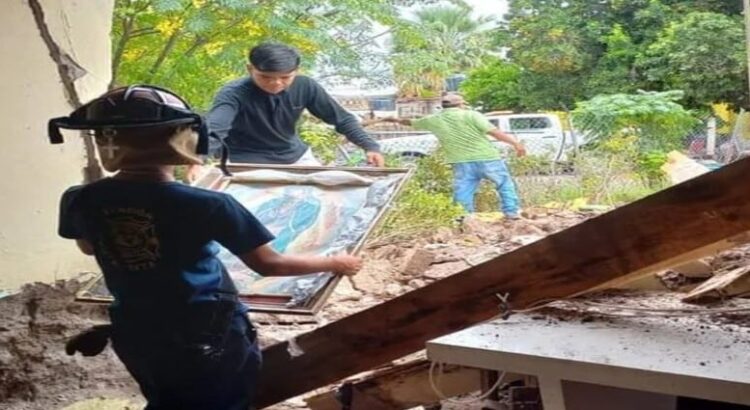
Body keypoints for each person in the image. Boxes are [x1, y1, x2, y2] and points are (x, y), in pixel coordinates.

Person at [49, 85, 362, 410]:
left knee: (166, 400)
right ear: (184, 138)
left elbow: (89, 247)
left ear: (105, 142)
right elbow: (270, 265)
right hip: (206, 333)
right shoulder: (209, 204)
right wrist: (335, 262)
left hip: (137, 329)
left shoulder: (79, 198)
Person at [187, 42, 384, 180]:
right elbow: (216, 128)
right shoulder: (233, 93)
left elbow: (341, 119)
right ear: (250, 69)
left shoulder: (306, 86)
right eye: (265, 77)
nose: (276, 83)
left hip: (296, 156)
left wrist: (370, 146)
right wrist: (197, 160)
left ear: (296, 71)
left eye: (285, 77)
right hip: (246, 162)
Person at [383, 94, 526, 218]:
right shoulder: (471, 115)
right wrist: (516, 144)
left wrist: (394, 120)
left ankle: (463, 217)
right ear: (461, 104)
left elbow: (411, 122)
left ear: (443, 106)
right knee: (503, 183)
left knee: (463, 190)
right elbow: (494, 132)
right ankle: (511, 212)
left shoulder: (434, 119)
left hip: (460, 161)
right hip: (487, 157)